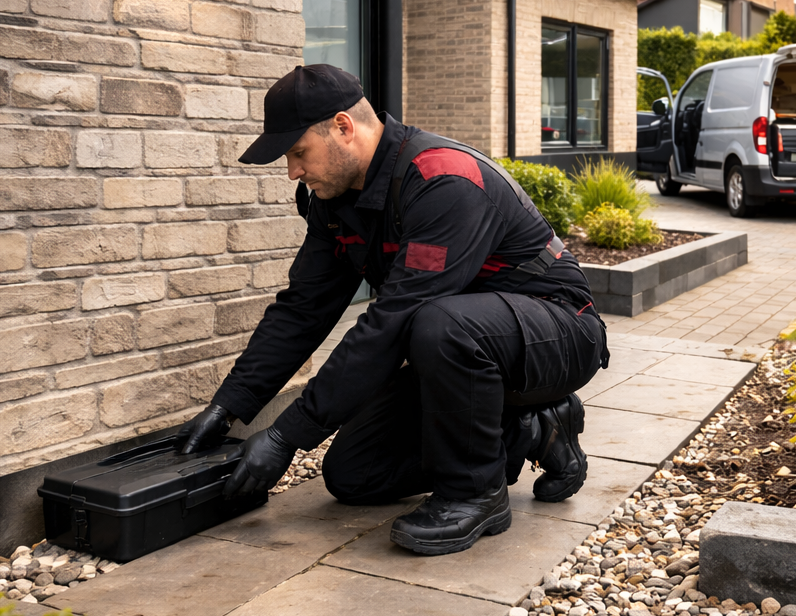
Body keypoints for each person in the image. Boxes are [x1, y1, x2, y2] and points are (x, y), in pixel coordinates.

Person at [176, 64, 609, 556]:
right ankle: (532, 429)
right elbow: (302, 310)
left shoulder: (444, 180)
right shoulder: (334, 201)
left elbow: (395, 320)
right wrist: (229, 407)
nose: (293, 172)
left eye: (298, 153)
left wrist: (285, 436)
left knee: (438, 323)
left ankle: (474, 494)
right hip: (464, 349)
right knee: (354, 474)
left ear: (343, 127)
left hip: (559, 331)